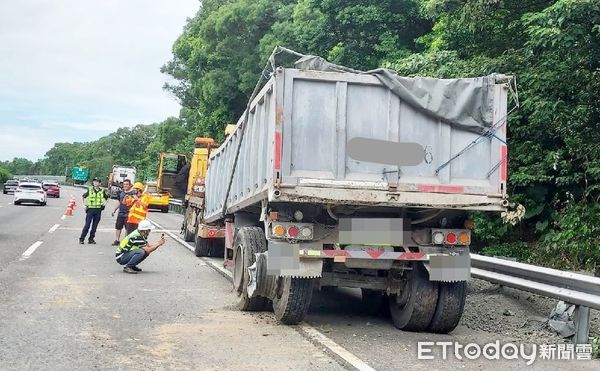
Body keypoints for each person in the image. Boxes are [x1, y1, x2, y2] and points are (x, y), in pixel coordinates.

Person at [79, 177, 109, 244]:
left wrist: (104, 205)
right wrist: (83, 205)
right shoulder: (90, 190)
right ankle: (81, 239)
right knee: (87, 225)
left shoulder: (102, 190)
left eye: (97, 182)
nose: (95, 183)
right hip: (90, 210)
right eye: (94, 181)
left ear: (100, 183)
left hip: (98, 210)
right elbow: (83, 197)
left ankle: (91, 239)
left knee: (94, 226)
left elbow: (107, 198)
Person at [111, 179, 135, 246]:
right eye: (124, 184)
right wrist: (114, 210)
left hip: (129, 213)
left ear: (130, 185)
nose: (125, 186)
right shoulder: (121, 193)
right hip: (121, 213)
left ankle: (127, 241)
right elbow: (119, 202)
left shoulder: (133, 193)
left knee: (128, 228)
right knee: (118, 227)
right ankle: (117, 240)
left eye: (127, 184)